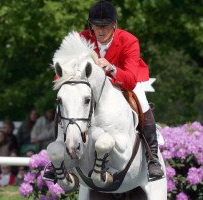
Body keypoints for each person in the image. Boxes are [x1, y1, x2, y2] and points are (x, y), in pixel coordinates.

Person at [45, 0, 163, 180]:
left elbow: (130, 80)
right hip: (89, 86)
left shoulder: (129, 40)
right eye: (96, 26)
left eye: (105, 26)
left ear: (114, 24)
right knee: (65, 103)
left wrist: (111, 68)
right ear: (90, 24)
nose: (100, 31)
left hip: (122, 80)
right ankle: (59, 153)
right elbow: (60, 75)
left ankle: (152, 157)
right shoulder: (81, 38)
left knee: (142, 99)